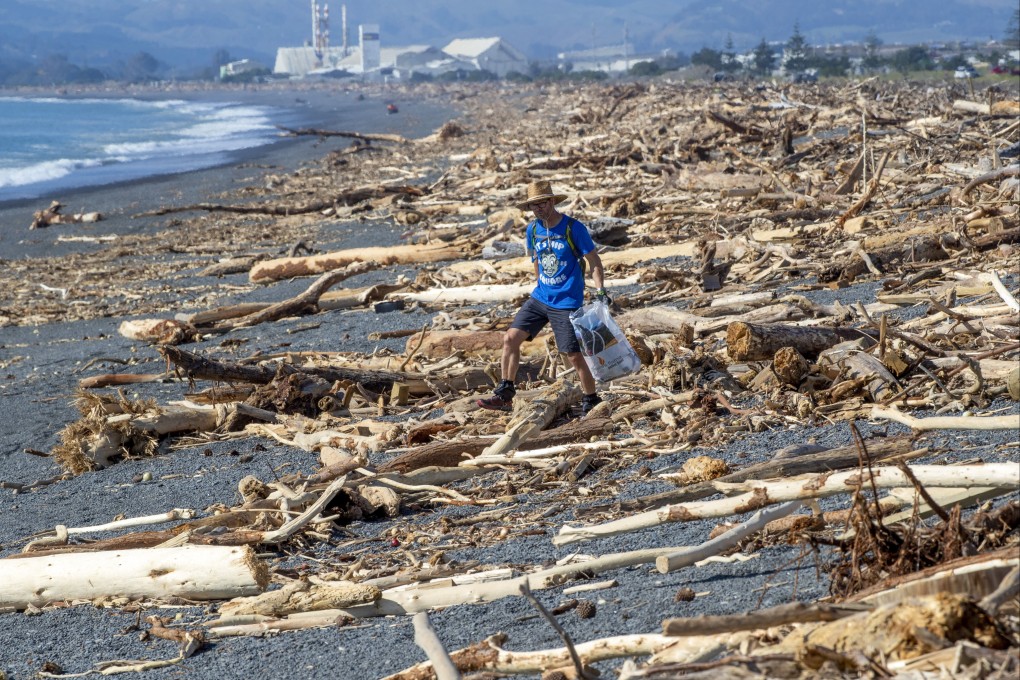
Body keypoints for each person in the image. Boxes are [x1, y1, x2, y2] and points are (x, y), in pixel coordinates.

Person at [477, 180, 610, 415]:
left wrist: (600, 292)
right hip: (540, 298)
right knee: (510, 339)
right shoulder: (533, 229)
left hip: (566, 302)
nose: (538, 209)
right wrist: (541, 284)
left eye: (541, 203)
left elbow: (594, 262)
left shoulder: (573, 228)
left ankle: (591, 399)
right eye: (533, 205)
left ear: (551, 201)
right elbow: (537, 259)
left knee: (573, 355)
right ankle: (505, 392)